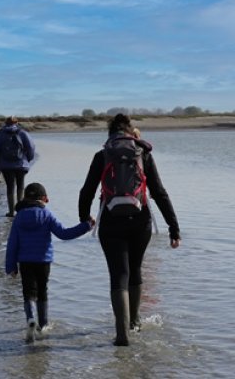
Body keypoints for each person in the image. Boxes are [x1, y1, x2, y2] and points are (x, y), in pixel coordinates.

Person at [77, 113, 181, 346]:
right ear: (130, 131)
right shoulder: (142, 153)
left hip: (111, 220)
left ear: (110, 133)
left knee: (118, 275)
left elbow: (87, 191)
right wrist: (174, 227)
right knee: (135, 270)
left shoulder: (102, 155)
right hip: (140, 220)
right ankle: (135, 323)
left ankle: (121, 334)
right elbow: (159, 192)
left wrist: (85, 218)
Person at [5, 182, 94, 342]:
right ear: (43, 199)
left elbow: (12, 243)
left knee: (28, 292)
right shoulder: (47, 215)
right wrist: (86, 226)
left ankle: (30, 319)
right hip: (43, 261)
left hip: (25, 261)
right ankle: (43, 324)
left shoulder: (19, 217)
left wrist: (10, 266)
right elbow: (64, 234)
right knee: (42, 291)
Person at [0, 117, 36, 218]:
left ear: (5, 123)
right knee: (20, 186)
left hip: (6, 165)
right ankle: (21, 210)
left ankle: (11, 211)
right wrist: (28, 159)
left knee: (10, 187)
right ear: (17, 122)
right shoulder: (22, 133)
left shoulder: (1, 134)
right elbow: (31, 147)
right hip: (21, 164)